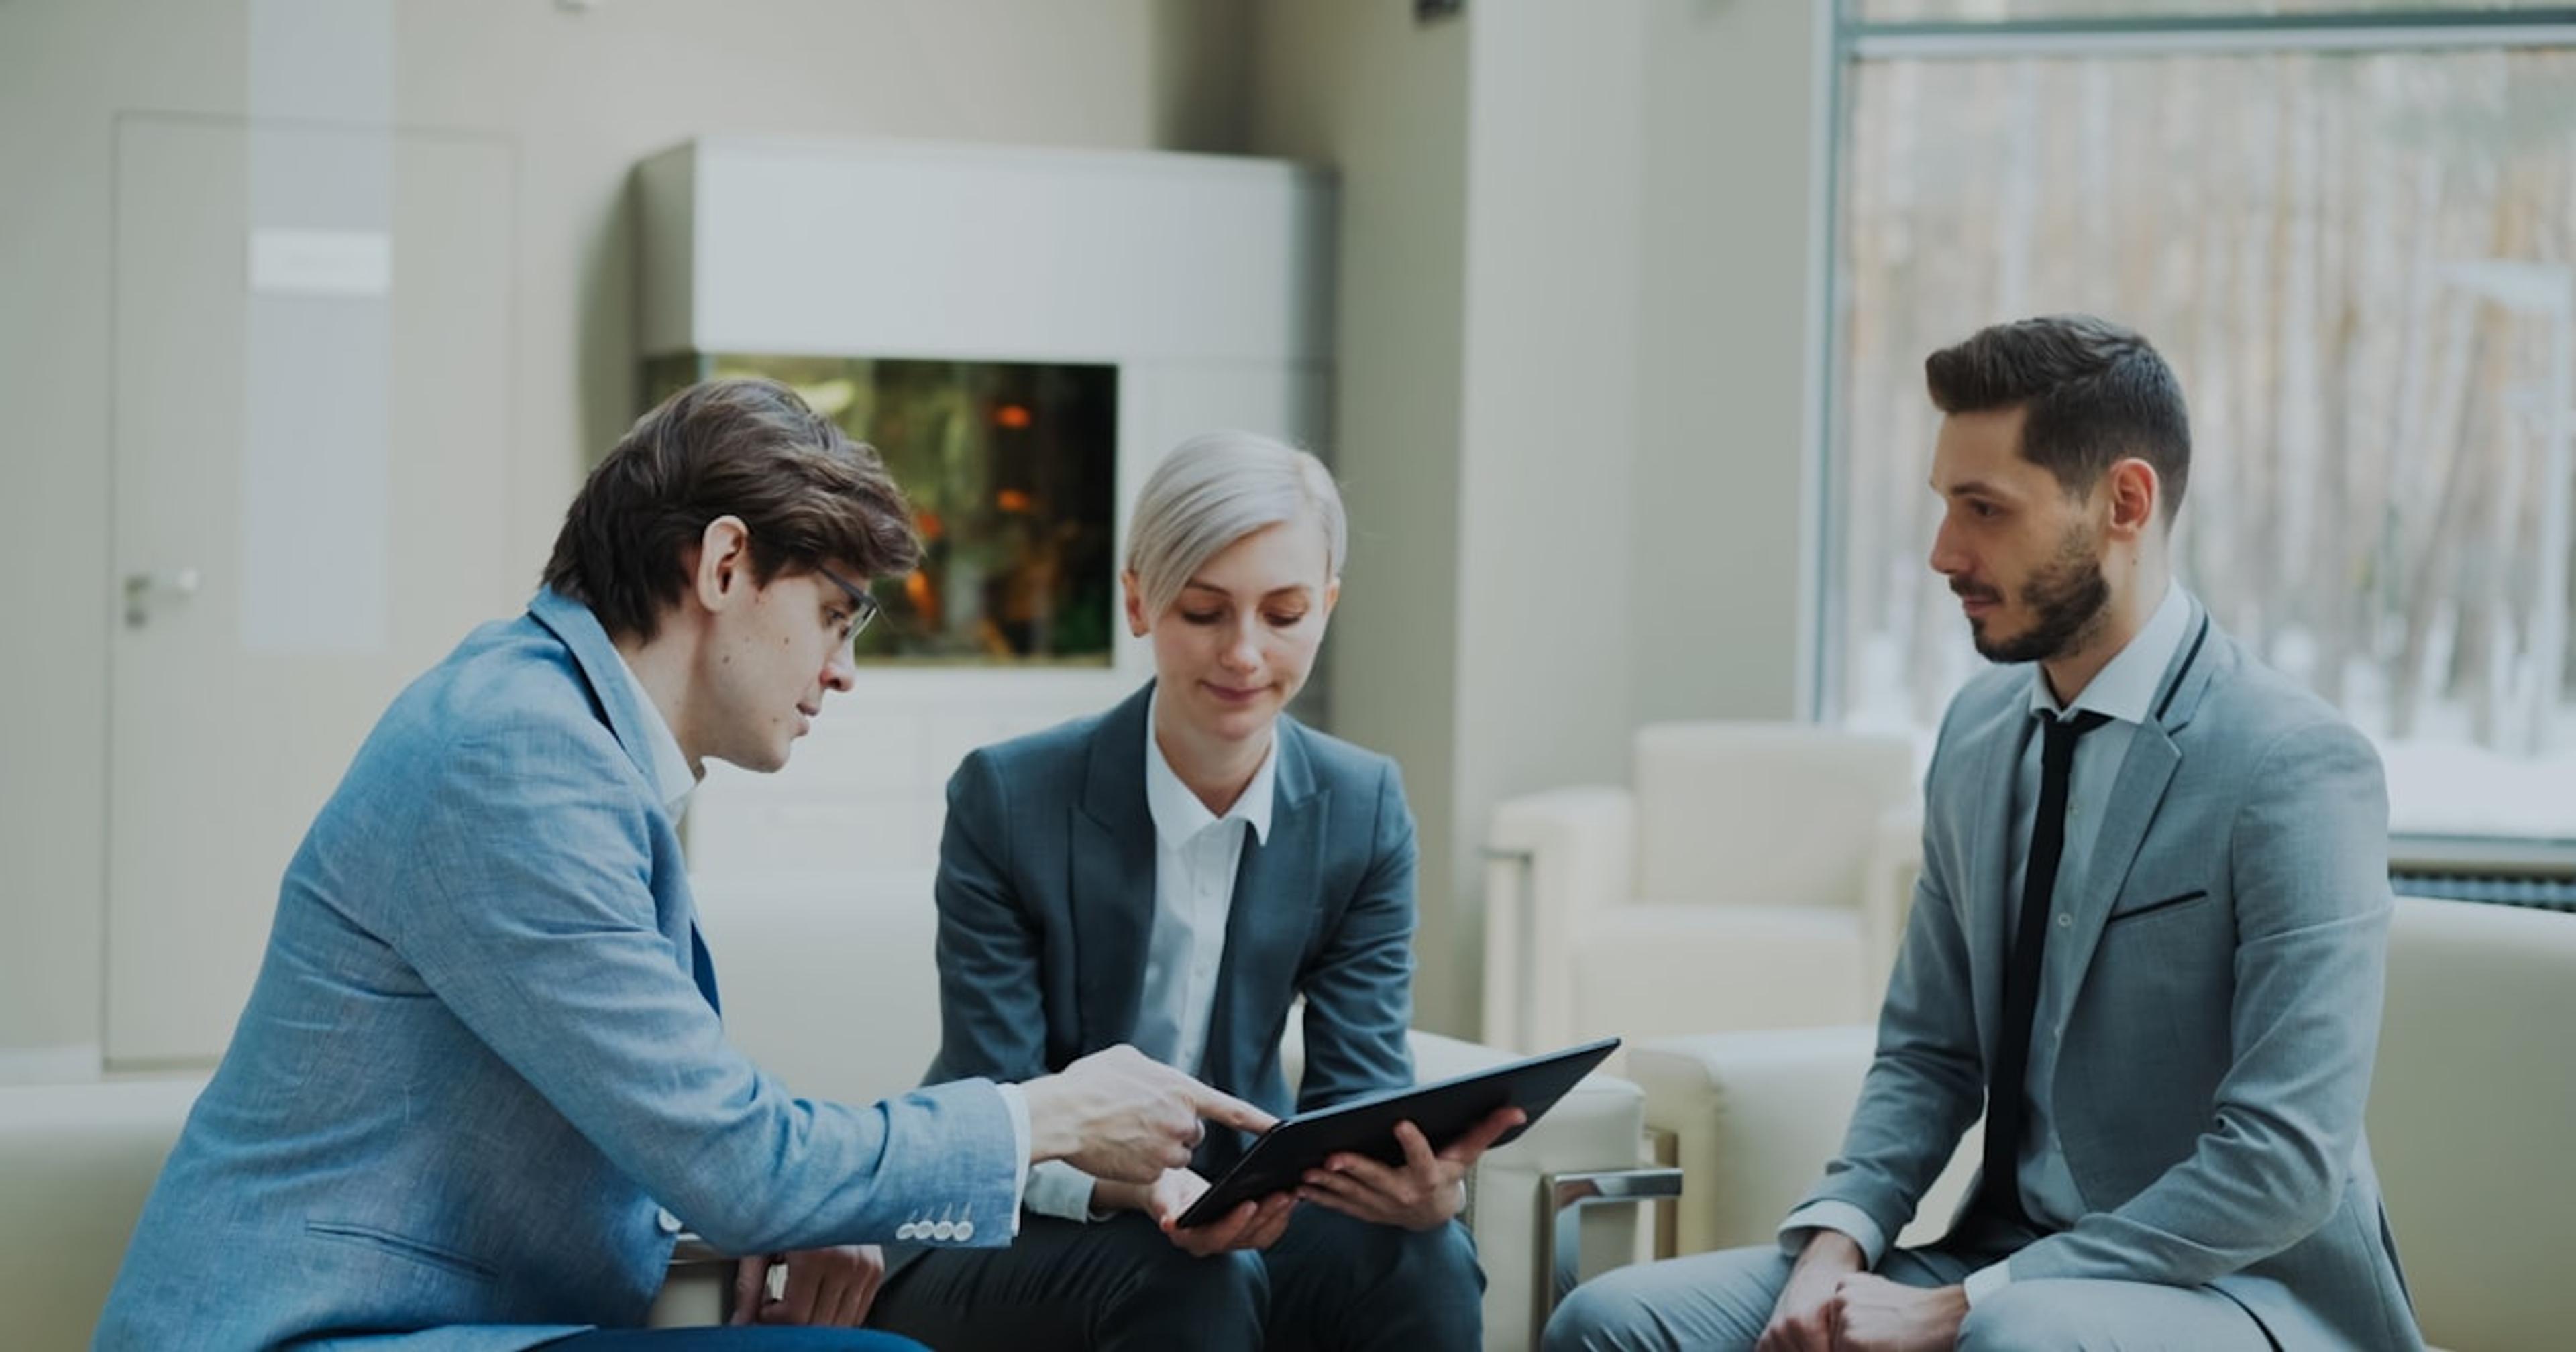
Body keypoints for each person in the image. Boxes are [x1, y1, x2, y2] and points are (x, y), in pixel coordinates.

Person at [95, 378, 1271, 1351]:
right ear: (722, 567)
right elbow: (736, 1154)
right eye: (834, 613)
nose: (843, 670)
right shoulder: (513, 758)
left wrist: (765, 1211)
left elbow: (652, 1118)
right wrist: (1045, 1112)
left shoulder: (548, 729)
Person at [1544, 317, 2422, 1351]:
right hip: (1996, 1257)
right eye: (1944, 504)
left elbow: (2282, 1161)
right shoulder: (1978, 732)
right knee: (1613, 1321)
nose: (1943, 552)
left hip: (2247, 1292)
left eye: (1985, 509)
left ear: (2124, 504)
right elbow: (1930, 1056)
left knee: (2017, 1344)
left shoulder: (2294, 766)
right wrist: (1837, 1246)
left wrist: (1968, 1303)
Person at [864, 431, 1513, 1351]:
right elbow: (1000, 1091)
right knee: (1187, 1278)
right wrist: (1139, 1188)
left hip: (1241, 1211)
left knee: (1425, 1258)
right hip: (1010, 1220)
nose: (1245, 655)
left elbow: (1359, 1089)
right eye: (1206, 612)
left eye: (1284, 615)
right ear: (1139, 599)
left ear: (1326, 609)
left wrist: (1413, 1189)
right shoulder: (1008, 799)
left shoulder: (1363, 810)